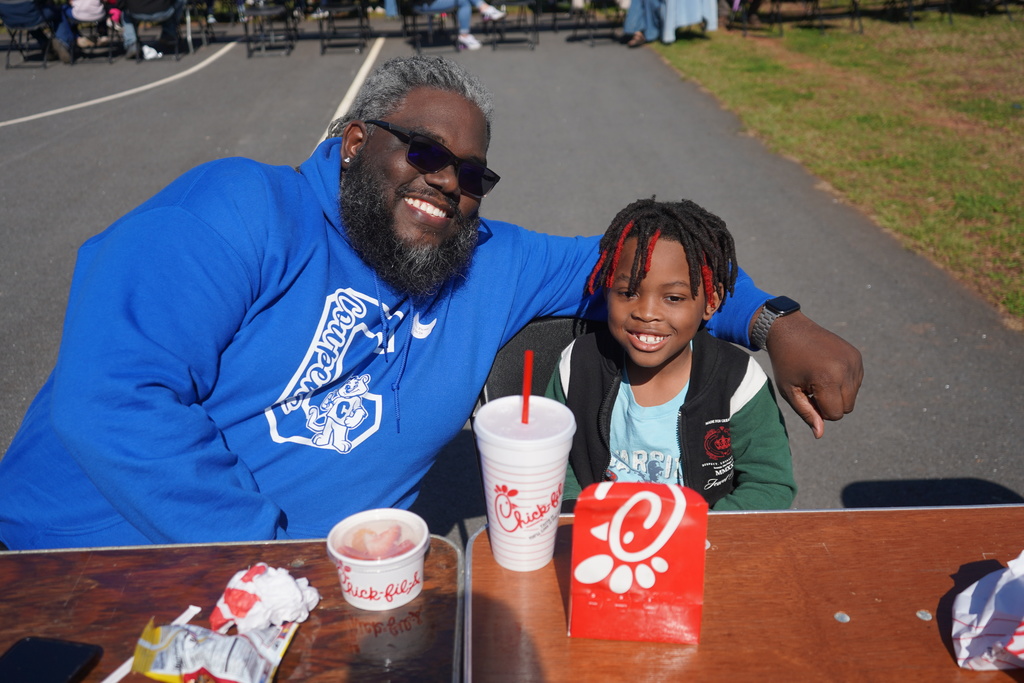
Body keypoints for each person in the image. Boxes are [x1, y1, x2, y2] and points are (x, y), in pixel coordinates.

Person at [0, 55, 861, 550]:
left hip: (316, 601)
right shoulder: (242, 209)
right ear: (353, 142)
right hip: (76, 563)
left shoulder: (485, 262)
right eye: (423, 152)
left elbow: (646, 260)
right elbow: (109, 398)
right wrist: (275, 555)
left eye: (472, 174)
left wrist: (775, 320)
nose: (447, 182)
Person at [547, 197, 796, 510]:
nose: (647, 313)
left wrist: (701, 531)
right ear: (607, 289)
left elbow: (770, 484)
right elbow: (551, 455)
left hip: (702, 546)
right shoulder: (577, 365)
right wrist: (575, 509)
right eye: (627, 292)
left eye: (674, 298)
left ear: (711, 302)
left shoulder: (738, 380)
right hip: (601, 543)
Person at [395, 0, 505, 50]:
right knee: (463, 2)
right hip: (423, 4)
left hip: (429, 3)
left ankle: (484, 10)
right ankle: (485, 9)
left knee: (464, 2)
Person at [0, 0, 73, 62]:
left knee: (27, 20)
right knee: (58, 12)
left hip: (9, 20)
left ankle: (45, 44)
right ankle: (63, 42)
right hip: (32, 16)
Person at [120, 0, 185, 58]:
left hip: (136, 12)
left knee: (125, 13)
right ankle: (168, 32)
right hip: (164, 11)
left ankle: (131, 43)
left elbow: (120, 3)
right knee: (178, 4)